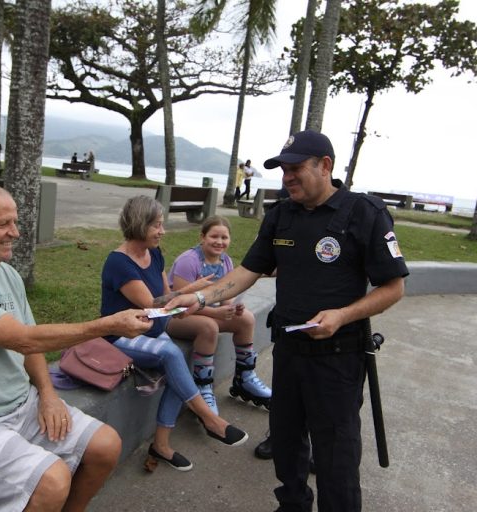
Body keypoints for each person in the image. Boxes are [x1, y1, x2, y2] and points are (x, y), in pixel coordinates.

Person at [166, 130, 408, 511]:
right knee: (287, 440)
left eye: (295, 168)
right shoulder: (282, 215)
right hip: (289, 351)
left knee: (336, 455)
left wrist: (343, 314)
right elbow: (248, 271)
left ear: (325, 166)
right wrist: (197, 298)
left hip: (338, 357)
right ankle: (292, 505)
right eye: (283, 170)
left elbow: (393, 288)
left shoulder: (365, 214)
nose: (287, 177)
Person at [0, 183, 152, 512]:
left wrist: (48, 395)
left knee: (106, 446)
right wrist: (109, 324)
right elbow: (24, 338)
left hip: (20, 404)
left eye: (15, 222)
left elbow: (30, 342)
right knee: (52, 481)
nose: (16, 232)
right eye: (3, 224)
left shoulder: (7, 274)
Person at [101, 195, 248, 472]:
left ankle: (161, 445)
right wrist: (191, 291)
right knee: (171, 353)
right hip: (122, 336)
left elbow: (165, 297)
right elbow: (152, 304)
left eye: (161, 224)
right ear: (139, 224)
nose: (162, 231)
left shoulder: (154, 253)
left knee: (177, 369)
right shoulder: (119, 263)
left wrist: (181, 304)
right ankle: (210, 420)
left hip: (153, 330)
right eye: (157, 225)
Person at [166, 215, 271, 415]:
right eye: (214, 236)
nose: (219, 242)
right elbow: (178, 303)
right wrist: (217, 312)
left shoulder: (226, 261)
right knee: (209, 327)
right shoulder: (188, 261)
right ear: (202, 237)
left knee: (246, 318)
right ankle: (203, 386)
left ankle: (245, 378)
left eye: (224, 238)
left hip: (206, 312)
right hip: (177, 316)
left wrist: (232, 310)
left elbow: (226, 299)